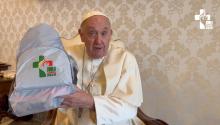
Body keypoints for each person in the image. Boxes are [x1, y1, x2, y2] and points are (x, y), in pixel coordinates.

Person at [54, 10, 143, 125]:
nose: (99, 41)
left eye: (104, 33)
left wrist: (90, 102)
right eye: (92, 33)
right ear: (82, 35)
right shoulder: (67, 55)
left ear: (110, 34)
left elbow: (130, 109)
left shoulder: (126, 59)